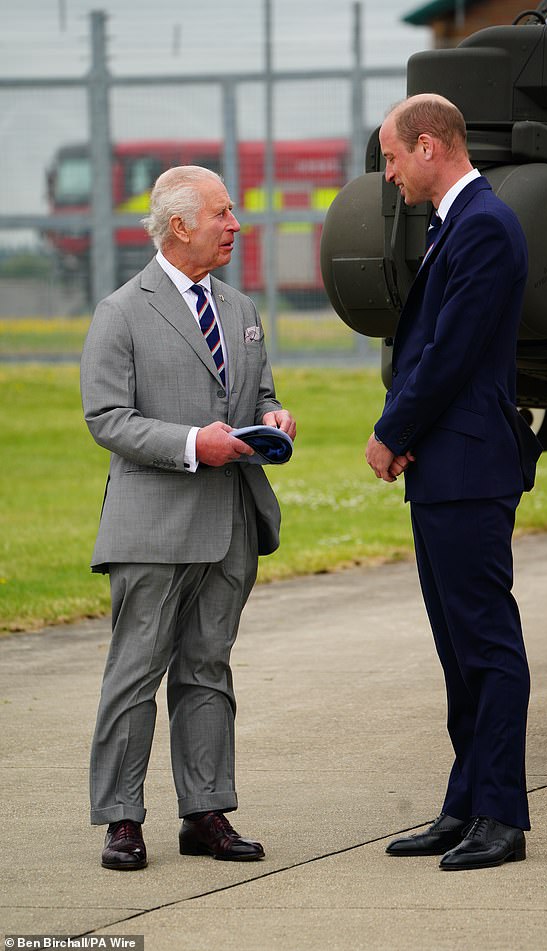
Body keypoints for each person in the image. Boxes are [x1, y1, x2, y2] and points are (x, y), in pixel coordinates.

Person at [81, 165, 296, 871]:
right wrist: (188, 444)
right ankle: (121, 819)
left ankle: (205, 811)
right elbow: (106, 418)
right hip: (153, 524)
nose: (236, 224)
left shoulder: (239, 307)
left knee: (208, 670)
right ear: (180, 226)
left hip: (231, 522)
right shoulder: (121, 311)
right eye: (223, 213)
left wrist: (271, 415)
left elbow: (259, 391)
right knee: (134, 672)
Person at [365, 94, 541, 871]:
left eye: (394, 157)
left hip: (467, 466)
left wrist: (391, 431)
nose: (389, 173)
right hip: (447, 465)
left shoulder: (485, 226)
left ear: (430, 147)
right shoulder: (457, 224)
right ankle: (466, 802)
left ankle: (501, 815)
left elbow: (449, 352)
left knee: (487, 644)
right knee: (457, 647)